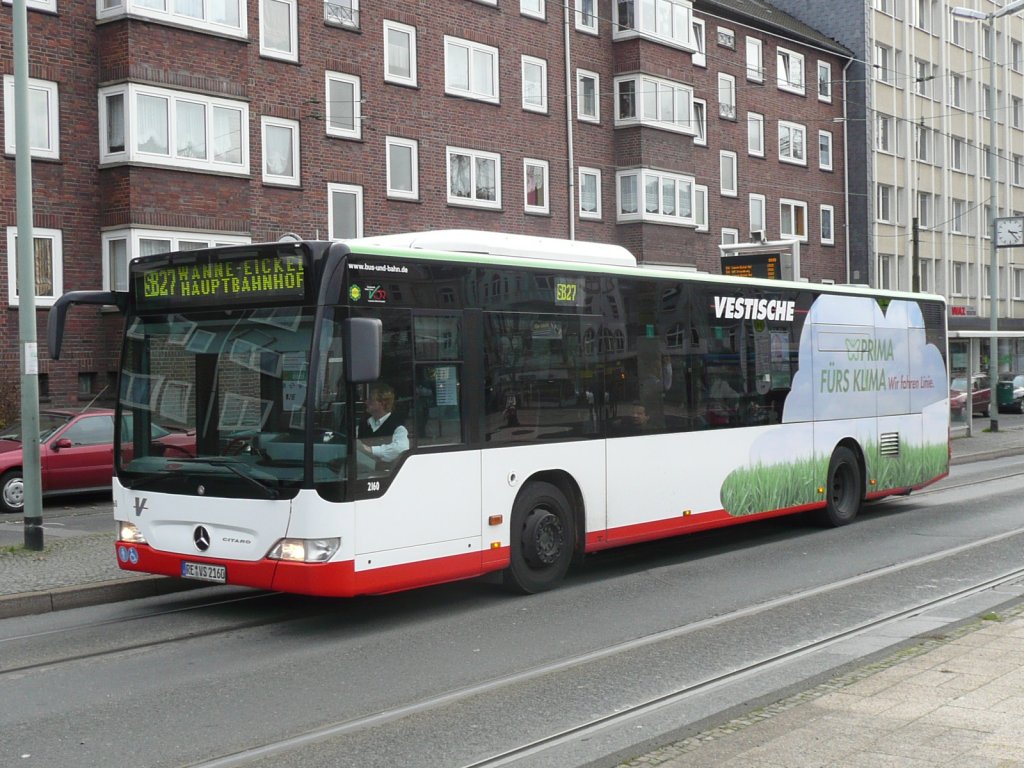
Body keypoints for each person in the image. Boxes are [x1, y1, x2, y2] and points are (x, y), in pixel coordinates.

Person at [358, 383, 409, 466]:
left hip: (384, 473)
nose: (366, 402)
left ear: (382, 403)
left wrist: (371, 450)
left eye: (371, 399)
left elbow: (401, 448)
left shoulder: (397, 426)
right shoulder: (364, 423)